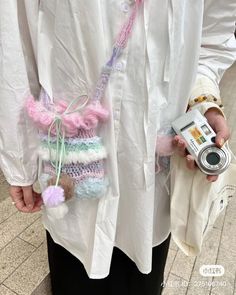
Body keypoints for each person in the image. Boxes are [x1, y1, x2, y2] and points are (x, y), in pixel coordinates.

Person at [0, 0, 235, 294]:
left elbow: (213, 35)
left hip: (152, 178)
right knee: (75, 276)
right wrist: (19, 158)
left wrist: (203, 99)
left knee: (142, 278)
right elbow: (13, 39)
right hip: (73, 172)